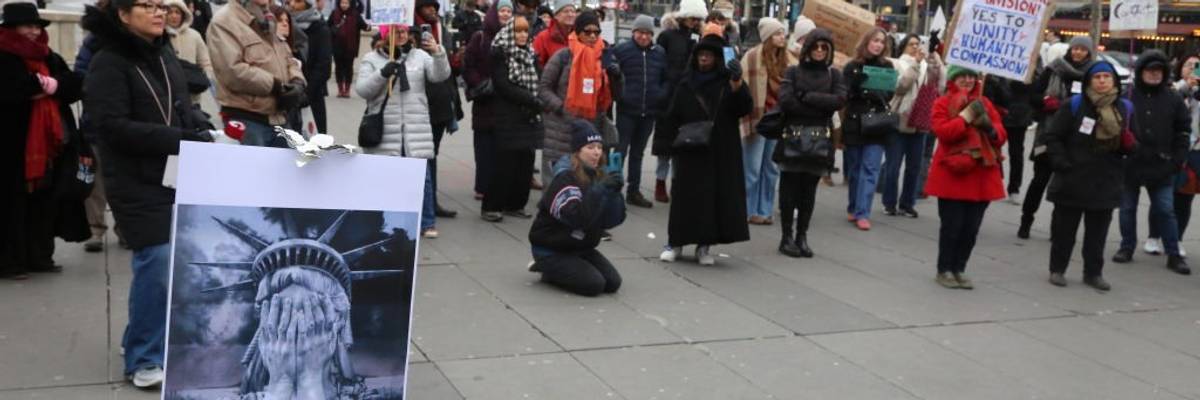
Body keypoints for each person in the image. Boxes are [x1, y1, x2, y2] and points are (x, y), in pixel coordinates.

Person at [81, 0, 216, 385]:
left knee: (173, 264)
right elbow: (110, 127)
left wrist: (200, 126)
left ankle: (138, 339)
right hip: (134, 179)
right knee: (157, 260)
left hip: (174, 173)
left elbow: (179, 107)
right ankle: (143, 360)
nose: (159, 12)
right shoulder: (108, 62)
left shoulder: (163, 53)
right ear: (122, 15)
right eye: (146, 5)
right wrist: (178, 138)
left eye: (160, 5)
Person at [0, 2, 85, 280]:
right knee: (11, 203)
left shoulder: (49, 56)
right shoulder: (4, 56)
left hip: (49, 144)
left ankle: (39, 256)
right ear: (12, 28)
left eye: (37, 26)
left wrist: (49, 86)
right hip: (12, 144)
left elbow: (75, 85)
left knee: (44, 200)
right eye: (28, 26)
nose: (35, 32)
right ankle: (10, 262)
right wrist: (46, 86)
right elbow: (11, 90)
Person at [657, 33, 752, 265]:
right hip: (690, 147)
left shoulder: (728, 82)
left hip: (720, 149)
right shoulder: (686, 82)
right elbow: (672, 114)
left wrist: (737, 83)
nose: (703, 59)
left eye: (708, 55)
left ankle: (704, 246)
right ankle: (675, 243)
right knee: (684, 197)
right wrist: (668, 143)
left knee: (712, 199)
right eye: (701, 55)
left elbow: (744, 108)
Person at [1042, 61, 1136, 291]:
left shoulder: (1125, 108)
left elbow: (1135, 144)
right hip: (1073, 178)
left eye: (1106, 76)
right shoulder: (1074, 105)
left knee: (1097, 234)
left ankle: (1093, 273)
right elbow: (1053, 136)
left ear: (1114, 81)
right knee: (1065, 231)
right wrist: (1061, 163)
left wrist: (1130, 144)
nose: (1102, 81)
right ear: (1089, 81)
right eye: (1097, 77)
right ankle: (1057, 269)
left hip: (1106, 180)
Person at [356, 25, 451, 238]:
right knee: (386, 179)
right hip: (386, 130)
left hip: (415, 127)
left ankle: (426, 222)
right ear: (386, 34)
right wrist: (382, 74)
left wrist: (438, 52)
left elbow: (440, 75)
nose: (402, 35)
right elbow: (362, 90)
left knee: (422, 178)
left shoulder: (419, 56)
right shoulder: (372, 59)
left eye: (404, 31)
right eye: (396, 31)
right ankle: (384, 223)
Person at [763, 28, 844, 257]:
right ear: (807, 48)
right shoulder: (793, 72)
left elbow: (838, 101)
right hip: (793, 137)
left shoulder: (834, 75)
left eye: (824, 47)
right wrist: (819, 104)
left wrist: (806, 97)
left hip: (820, 140)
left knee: (809, 191)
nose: (819, 51)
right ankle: (786, 237)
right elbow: (786, 101)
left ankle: (802, 236)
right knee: (788, 190)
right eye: (815, 46)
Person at [1111, 50, 1192, 275]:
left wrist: (1177, 159)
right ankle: (1126, 246)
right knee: (1127, 208)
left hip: (1162, 164)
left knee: (1165, 210)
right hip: (1131, 163)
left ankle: (1173, 253)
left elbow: (1183, 130)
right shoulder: (1127, 95)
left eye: (1159, 70)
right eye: (1150, 70)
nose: (1154, 74)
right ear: (1141, 72)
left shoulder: (1173, 98)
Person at [925, 66, 1007, 289]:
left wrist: (990, 129)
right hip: (954, 174)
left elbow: (1000, 133)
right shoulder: (943, 102)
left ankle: (959, 268)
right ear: (954, 78)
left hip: (982, 175)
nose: (968, 80)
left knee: (971, 229)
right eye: (963, 76)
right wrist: (965, 117)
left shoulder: (985, 102)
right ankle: (944, 269)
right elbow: (943, 132)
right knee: (952, 227)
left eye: (972, 76)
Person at [528, 120, 625, 296]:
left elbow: (612, 221)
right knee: (594, 285)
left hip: (580, 246)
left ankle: (566, 268)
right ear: (577, 151)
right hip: (552, 249)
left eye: (599, 147)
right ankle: (546, 268)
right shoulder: (564, 178)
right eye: (590, 147)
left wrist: (614, 194)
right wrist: (600, 190)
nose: (596, 152)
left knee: (612, 283)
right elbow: (576, 218)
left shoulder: (599, 174)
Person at [1021, 36, 1095, 239]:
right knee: (1039, 180)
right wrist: (1044, 101)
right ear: (1069, 50)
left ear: (1088, 52)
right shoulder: (1054, 68)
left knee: (1064, 186)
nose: (1078, 52)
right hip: (1048, 133)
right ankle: (1026, 220)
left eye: (1082, 49)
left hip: (1074, 138)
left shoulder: (1092, 73)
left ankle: (1057, 229)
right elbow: (1034, 95)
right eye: (1075, 48)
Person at [536, 11, 621, 188]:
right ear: (577, 32)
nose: (592, 36)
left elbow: (617, 95)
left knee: (585, 184)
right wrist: (561, 107)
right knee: (556, 183)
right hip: (561, 130)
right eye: (587, 31)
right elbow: (544, 88)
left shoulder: (604, 56)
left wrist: (616, 77)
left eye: (596, 32)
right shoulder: (563, 56)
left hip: (591, 130)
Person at [207, 0, 307, 147]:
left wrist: (297, 81)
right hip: (247, 120)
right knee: (251, 163)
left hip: (280, 119)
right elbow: (233, 72)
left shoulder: (268, 17)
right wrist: (277, 86)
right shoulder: (224, 21)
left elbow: (288, 58)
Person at [482, 15, 543, 222]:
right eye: (518, 31)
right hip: (507, 115)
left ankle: (516, 204)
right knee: (504, 164)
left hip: (528, 116)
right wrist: (531, 100)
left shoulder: (530, 53)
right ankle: (492, 206)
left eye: (525, 31)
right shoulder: (500, 53)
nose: (523, 35)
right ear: (510, 33)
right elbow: (503, 85)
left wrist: (536, 101)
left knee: (525, 163)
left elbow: (539, 78)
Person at [738, 18, 793, 225]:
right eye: (777, 33)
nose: (782, 37)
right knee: (752, 169)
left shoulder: (788, 59)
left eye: (783, 33)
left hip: (778, 120)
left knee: (771, 168)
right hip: (757, 119)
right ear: (768, 37)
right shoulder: (752, 57)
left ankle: (765, 209)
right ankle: (747, 209)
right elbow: (741, 87)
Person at [840, 28, 895, 231]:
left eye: (882, 41)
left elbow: (889, 94)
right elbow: (844, 94)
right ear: (866, 42)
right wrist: (857, 86)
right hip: (855, 123)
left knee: (870, 169)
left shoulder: (887, 66)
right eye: (875, 40)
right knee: (855, 170)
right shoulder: (852, 66)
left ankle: (863, 213)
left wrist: (872, 92)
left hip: (876, 124)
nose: (878, 45)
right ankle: (854, 206)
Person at [652, 0, 705, 203]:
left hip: (688, 96)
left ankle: (677, 183)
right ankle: (660, 182)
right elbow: (658, 63)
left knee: (683, 144)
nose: (694, 22)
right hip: (669, 97)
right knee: (664, 144)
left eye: (697, 19)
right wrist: (662, 91)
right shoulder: (667, 35)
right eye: (692, 18)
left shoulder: (698, 37)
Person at [612, 14, 667, 209]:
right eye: (640, 32)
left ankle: (633, 191)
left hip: (649, 112)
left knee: (638, 153)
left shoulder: (659, 52)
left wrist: (660, 94)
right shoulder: (622, 50)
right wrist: (621, 95)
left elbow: (665, 78)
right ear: (633, 32)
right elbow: (611, 75)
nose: (644, 36)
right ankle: (611, 190)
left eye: (647, 33)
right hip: (627, 110)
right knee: (619, 151)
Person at [883, 34, 941, 219]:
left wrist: (935, 58)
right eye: (911, 44)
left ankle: (907, 204)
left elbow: (939, 85)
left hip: (920, 121)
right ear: (903, 47)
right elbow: (900, 86)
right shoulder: (896, 63)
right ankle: (889, 203)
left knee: (914, 167)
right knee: (893, 166)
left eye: (918, 44)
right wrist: (915, 64)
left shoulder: (925, 65)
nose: (916, 47)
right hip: (900, 121)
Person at [415, 0, 462, 219]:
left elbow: (448, 67)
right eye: (428, 6)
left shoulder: (441, 28)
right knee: (419, 156)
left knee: (431, 154)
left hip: (442, 102)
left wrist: (455, 58)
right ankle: (421, 203)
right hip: (420, 102)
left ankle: (430, 202)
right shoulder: (410, 30)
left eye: (435, 5)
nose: (433, 9)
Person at [1151, 54, 1200, 257]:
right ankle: (1154, 236)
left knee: (1184, 198)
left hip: (1193, 150)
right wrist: (1185, 86)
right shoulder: (1172, 87)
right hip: (1169, 149)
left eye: (1197, 66)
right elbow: (1163, 105)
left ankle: (1177, 239)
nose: (1192, 69)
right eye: (1188, 65)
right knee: (1162, 196)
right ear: (1180, 67)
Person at [464, 0, 512, 201]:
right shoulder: (480, 37)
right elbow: (469, 65)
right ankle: (482, 187)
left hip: (507, 101)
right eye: (502, 10)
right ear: (494, 12)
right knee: (484, 147)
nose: (506, 14)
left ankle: (500, 187)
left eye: (509, 11)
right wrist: (481, 83)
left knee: (504, 149)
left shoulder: (515, 36)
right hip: (485, 100)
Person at [290, 0, 333, 134]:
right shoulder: (284, 23)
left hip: (312, 96)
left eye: (297, 1)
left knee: (311, 141)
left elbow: (324, 65)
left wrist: (306, 94)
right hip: (288, 97)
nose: (292, 4)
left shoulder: (319, 28)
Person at [164, 0, 212, 105]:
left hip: (192, 97)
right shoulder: (158, 36)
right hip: (167, 97)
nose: (174, 16)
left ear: (183, 15)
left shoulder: (194, 35)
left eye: (177, 12)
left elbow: (205, 62)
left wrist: (203, 78)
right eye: (170, 12)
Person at [329, 0, 368, 98]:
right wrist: (333, 30)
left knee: (348, 68)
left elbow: (364, 26)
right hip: (337, 46)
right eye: (342, 3)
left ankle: (347, 90)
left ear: (350, 4)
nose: (344, 5)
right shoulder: (334, 13)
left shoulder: (355, 14)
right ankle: (340, 89)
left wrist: (369, 27)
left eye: (346, 3)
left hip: (350, 47)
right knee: (338, 67)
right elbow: (328, 25)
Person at [532, 0, 575, 67]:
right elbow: (536, 64)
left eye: (573, 11)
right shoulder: (543, 37)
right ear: (556, 15)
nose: (570, 14)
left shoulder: (579, 36)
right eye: (566, 11)